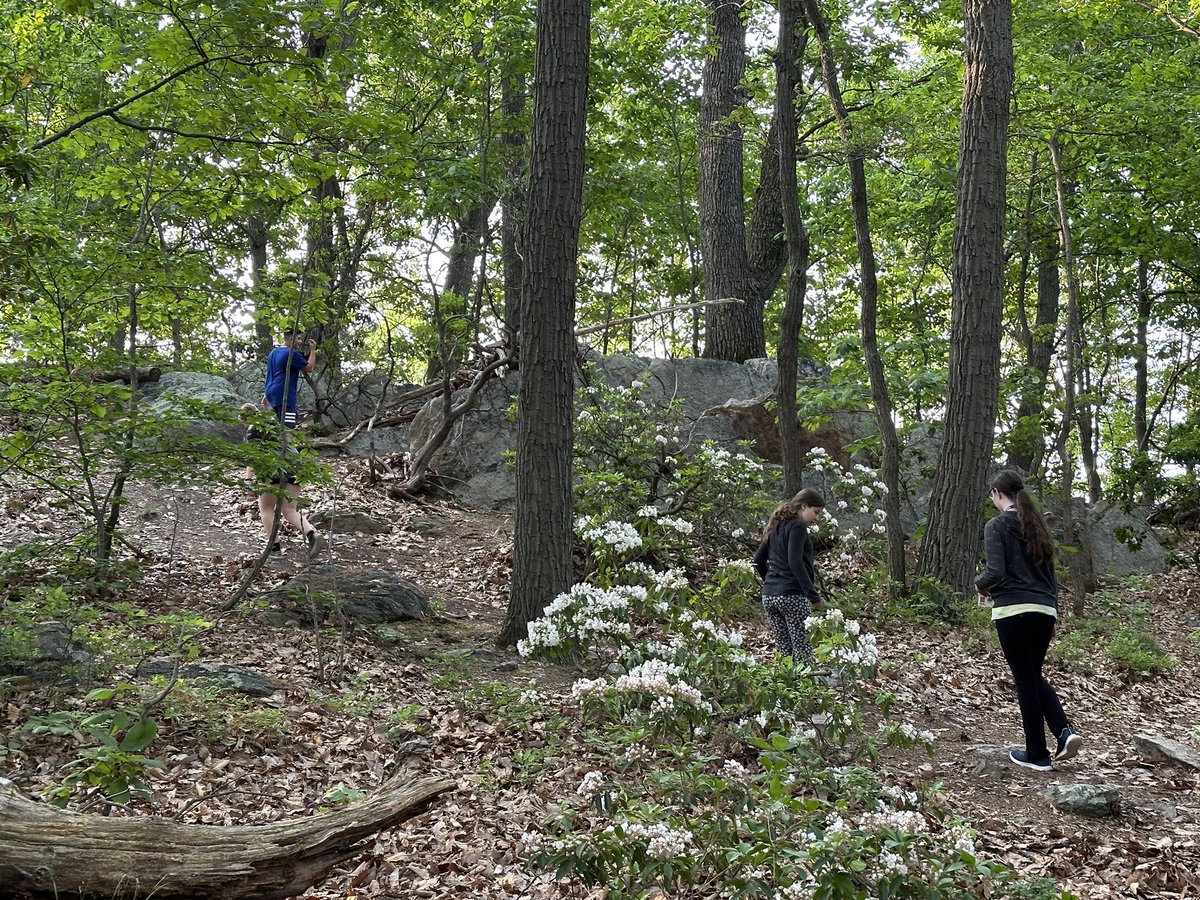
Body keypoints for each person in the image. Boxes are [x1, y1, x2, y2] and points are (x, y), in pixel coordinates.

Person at [976, 470, 1082, 772]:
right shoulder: (1038, 528)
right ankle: (1064, 731)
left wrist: (978, 583)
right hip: (1045, 611)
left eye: (992, 496)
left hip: (1013, 610)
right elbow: (1051, 578)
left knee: (1026, 681)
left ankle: (1037, 754)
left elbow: (995, 572)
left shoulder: (996, 526)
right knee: (1033, 676)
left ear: (997, 493)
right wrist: (1054, 610)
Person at [241, 404, 323, 559]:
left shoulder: (253, 429)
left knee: (266, 508)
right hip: (295, 466)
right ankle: (312, 534)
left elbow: (253, 457)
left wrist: (248, 480)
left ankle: (274, 547)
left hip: (275, 467)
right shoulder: (275, 423)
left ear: (246, 418)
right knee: (290, 510)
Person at [754, 488, 826, 665]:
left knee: (784, 650)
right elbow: (795, 561)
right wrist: (813, 596)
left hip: (769, 596)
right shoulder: (798, 527)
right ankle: (807, 688)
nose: (817, 519)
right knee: (803, 648)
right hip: (792, 596)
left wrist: (771, 583)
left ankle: (787, 687)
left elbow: (757, 560)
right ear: (803, 506)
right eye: (815, 512)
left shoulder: (775, 527)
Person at [261, 329, 317, 427]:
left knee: (280, 425)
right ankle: (287, 442)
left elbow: (272, 373)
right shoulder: (291, 353)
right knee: (288, 428)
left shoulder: (273, 353)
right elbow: (309, 368)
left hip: (271, 393)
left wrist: (266, 394)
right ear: (291, 339)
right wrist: (313, 350)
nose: (301, 342)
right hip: (284, 394)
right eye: (298, 339)